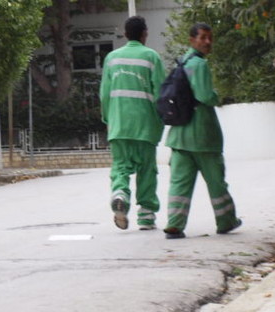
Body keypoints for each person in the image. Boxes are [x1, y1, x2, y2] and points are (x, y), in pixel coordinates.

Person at [163, 23, 241, 239]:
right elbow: (205, 96)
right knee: (216, 181)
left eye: (210, 38)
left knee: (179, 184)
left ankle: (174, 225)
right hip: (203, 136)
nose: (207, 42)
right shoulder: (199, 65)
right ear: (192, 40)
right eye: (203, 37)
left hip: (179, 136)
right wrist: (218, 96)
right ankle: (226, 220)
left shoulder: (182, 63)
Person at [99, 16, 166, 230]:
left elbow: (104, 95)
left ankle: (120, 194)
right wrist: (162, 119)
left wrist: (108, 118)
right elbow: (160, 93)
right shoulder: (151, 57)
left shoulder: (112, 58)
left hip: (119, 126)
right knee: (147, 170)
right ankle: (146, 216)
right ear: (145, 33)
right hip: (145, 126)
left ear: (125, 35)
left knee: (120, 167)